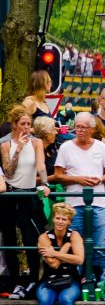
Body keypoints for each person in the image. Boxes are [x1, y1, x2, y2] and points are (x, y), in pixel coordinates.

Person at [52, 112, 105, 266]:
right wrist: (77, 179)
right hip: (74, 203)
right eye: (77, 127)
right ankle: (76, 279)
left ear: (92, 129)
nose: (80, 130)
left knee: (98, 244)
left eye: (84, 127)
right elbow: (58, 175)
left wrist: (100, 179)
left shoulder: (101, 146)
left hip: (98, 202)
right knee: (74, 243)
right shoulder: (66, 147)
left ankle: (99, 279)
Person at [2, 103, 51, 292]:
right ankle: (14, 280)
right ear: (15, 124)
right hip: (11, 193)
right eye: (23, 124)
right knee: (10, 238)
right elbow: (8, 171)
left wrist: (45, 183)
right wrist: (19, 149)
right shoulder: (5, 144)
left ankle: (33, 278)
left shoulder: (37, 142)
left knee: (32, 237)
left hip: (29, 192)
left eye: (29, 124)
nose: (26, 128)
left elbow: (40, 165)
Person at [35, 203, 84, 305]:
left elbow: (79, 259)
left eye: (64, 219)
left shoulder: (74, 235)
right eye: (57, 218)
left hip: (70, 280)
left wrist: (54, 252)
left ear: (69, 221)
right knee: (44, 301)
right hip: (49, 280)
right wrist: (65, 250)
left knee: (66, 300)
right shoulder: (43, 237)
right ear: (53, 219)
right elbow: (54, 264)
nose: (60, 222)